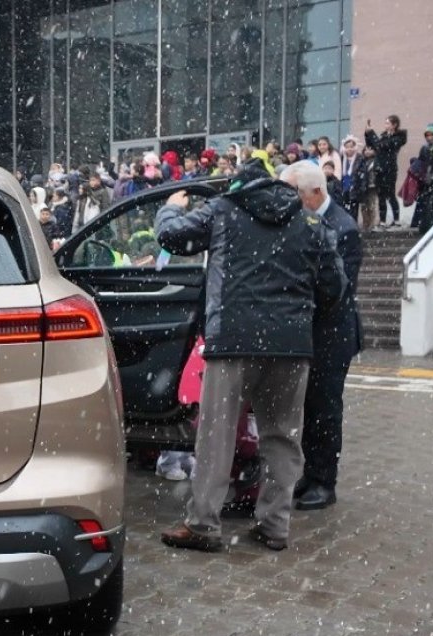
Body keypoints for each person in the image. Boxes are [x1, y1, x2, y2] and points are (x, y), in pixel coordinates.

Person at [155, 160, 344, 553]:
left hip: (233, 341)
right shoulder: (310, 222)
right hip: (290, 346)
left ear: (238, 186)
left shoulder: (223, 210)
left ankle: (204, 524)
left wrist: (170, 208)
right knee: (282, 437)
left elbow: (172, 238)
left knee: (217, 435)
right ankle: (274, 525)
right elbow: (334, 289)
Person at [281, 162, 362, 512]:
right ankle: (309, 474)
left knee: (325, 409)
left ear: (316, 193)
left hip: (331, 334)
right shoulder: (301, 222)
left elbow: (337, 290)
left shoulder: (344, 228)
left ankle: (324, 482)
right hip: (307, 331)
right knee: (307, 407)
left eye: (294, 194)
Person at [365, 115, 408, 228]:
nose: (386, 125)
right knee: (381, 196)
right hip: (379, 169)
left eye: (388, 123)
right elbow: (372, 145)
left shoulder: (398, 138)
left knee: (390, 195)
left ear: (394, 125)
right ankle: (382, 221)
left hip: (389, 170)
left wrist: (371, 133)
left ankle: (396, 220)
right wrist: (367, 133)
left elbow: (381, 146)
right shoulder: (384, 136)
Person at [411, 124, 433, 231]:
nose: (429, 137)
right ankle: (421, 224)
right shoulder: (425, 148)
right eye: (427, 135)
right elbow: (421, 162)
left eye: (432, 135)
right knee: (423, 203)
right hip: (426, 180)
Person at [353, 146, 379, 232]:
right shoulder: (361, 161)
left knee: (371, 205)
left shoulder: (376, 161)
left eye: (370, 149)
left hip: (372, 186)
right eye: (366, 150)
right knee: (363, 206)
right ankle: (365, 223)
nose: (367, 151)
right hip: (363, 186)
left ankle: (372, 224)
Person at [338, 136, 361, 218]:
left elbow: (362, 173)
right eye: (347, 147)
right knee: (344, 207)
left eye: (351, 147)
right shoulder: (341, 158)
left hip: (354, 186)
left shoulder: (359, 158)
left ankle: (354, 223)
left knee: (354, 208)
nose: (349, 149)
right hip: (344, 186)